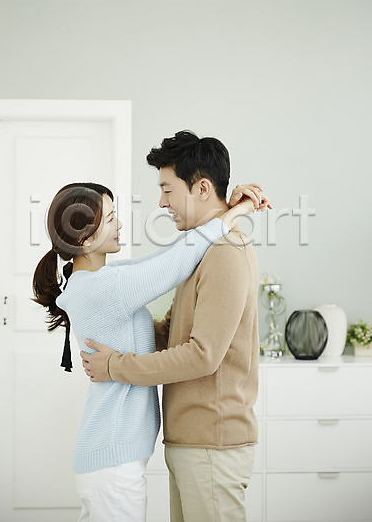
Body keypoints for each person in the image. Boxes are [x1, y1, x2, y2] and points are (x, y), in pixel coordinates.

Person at [32, 177, 267, 522]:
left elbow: (166, 258)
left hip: (113, 457)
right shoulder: (105, 288)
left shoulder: (103, 280)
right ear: (84, 238)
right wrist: (235, 213)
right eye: (111, 218)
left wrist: (224, 214)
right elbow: (173, 264)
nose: (119, 225)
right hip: (112, 458)